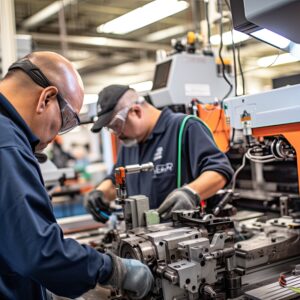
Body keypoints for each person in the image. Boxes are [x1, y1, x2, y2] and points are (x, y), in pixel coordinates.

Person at [0, 52, 153, 300]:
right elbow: (39, 251)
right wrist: (111, 269)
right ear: (46, 98)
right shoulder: (7, 144)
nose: (57, 135)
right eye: (67, 120)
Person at [86, 84, 234, 222]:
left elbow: (219, 171)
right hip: (143, 240)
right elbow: (116, 181)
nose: (116, 134)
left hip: (184, 238)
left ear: (136, 111)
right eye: (110, 129)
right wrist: (99, 194)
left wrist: (191, 193)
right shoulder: (129, 144)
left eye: (117, 126)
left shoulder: (185, 127)